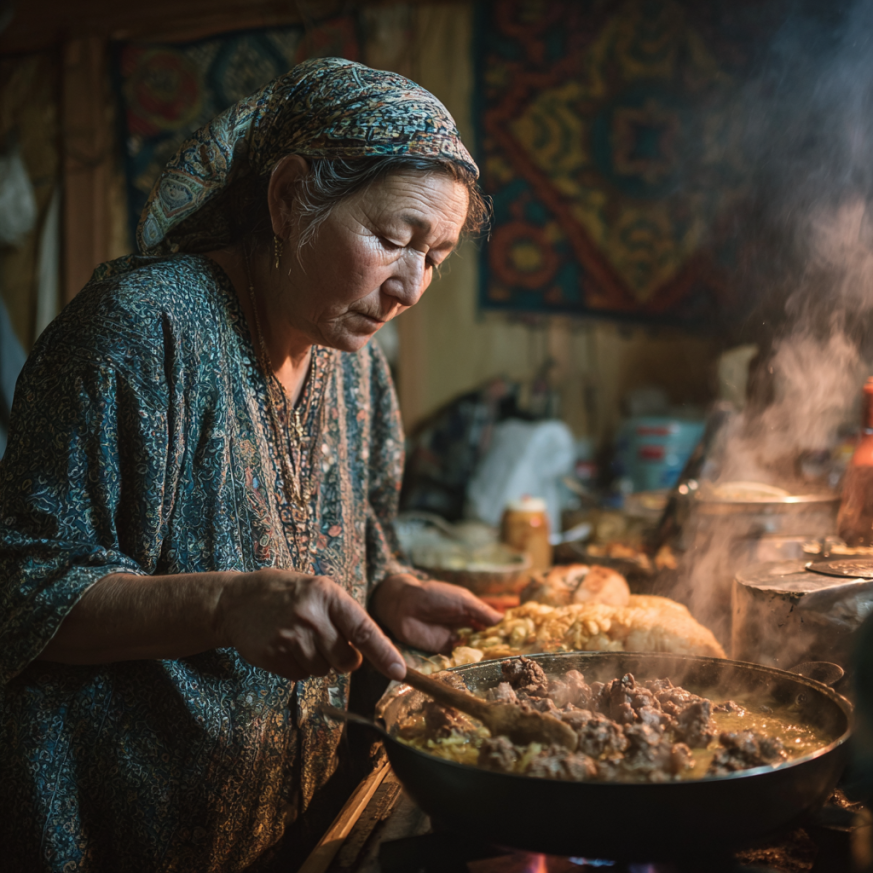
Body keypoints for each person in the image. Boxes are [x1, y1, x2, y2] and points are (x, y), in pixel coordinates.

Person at [0, 57, 500, 872]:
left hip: (297, 824)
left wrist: (388, 590)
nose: (411, 285)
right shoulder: (140, 331)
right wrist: (225, 605)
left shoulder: (355, 357)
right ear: (287, 195)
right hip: (127, 838)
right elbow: (19, 587)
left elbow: (346, 534)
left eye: (436, 256)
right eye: (391, 239)